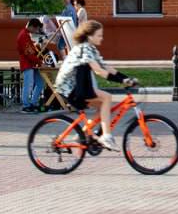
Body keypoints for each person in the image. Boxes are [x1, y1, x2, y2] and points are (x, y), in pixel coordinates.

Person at [52, 20, 136, 150]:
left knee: (103, 107)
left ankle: (83, 134)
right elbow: (99, 70)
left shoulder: (91, 49)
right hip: (69, 88)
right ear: (89, 36)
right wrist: (121, 81)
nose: (102, 38)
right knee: (106, 98)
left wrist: (126, 78)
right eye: (99, 35)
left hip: (77, 86)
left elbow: (106, 67)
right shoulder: (84, 48)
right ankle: (106, 136)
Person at [17, 18, 46, 113]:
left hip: (32, 64)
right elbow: (28, 53)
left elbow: (31, 50)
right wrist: (40, 62)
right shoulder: (23, 35)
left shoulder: (26, 34)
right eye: (36, 29)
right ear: (32, 27)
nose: (36, 31)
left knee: (40, 83)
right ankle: (26, 105)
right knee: (28, 84)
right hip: (27, 64)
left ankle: (33, 103)